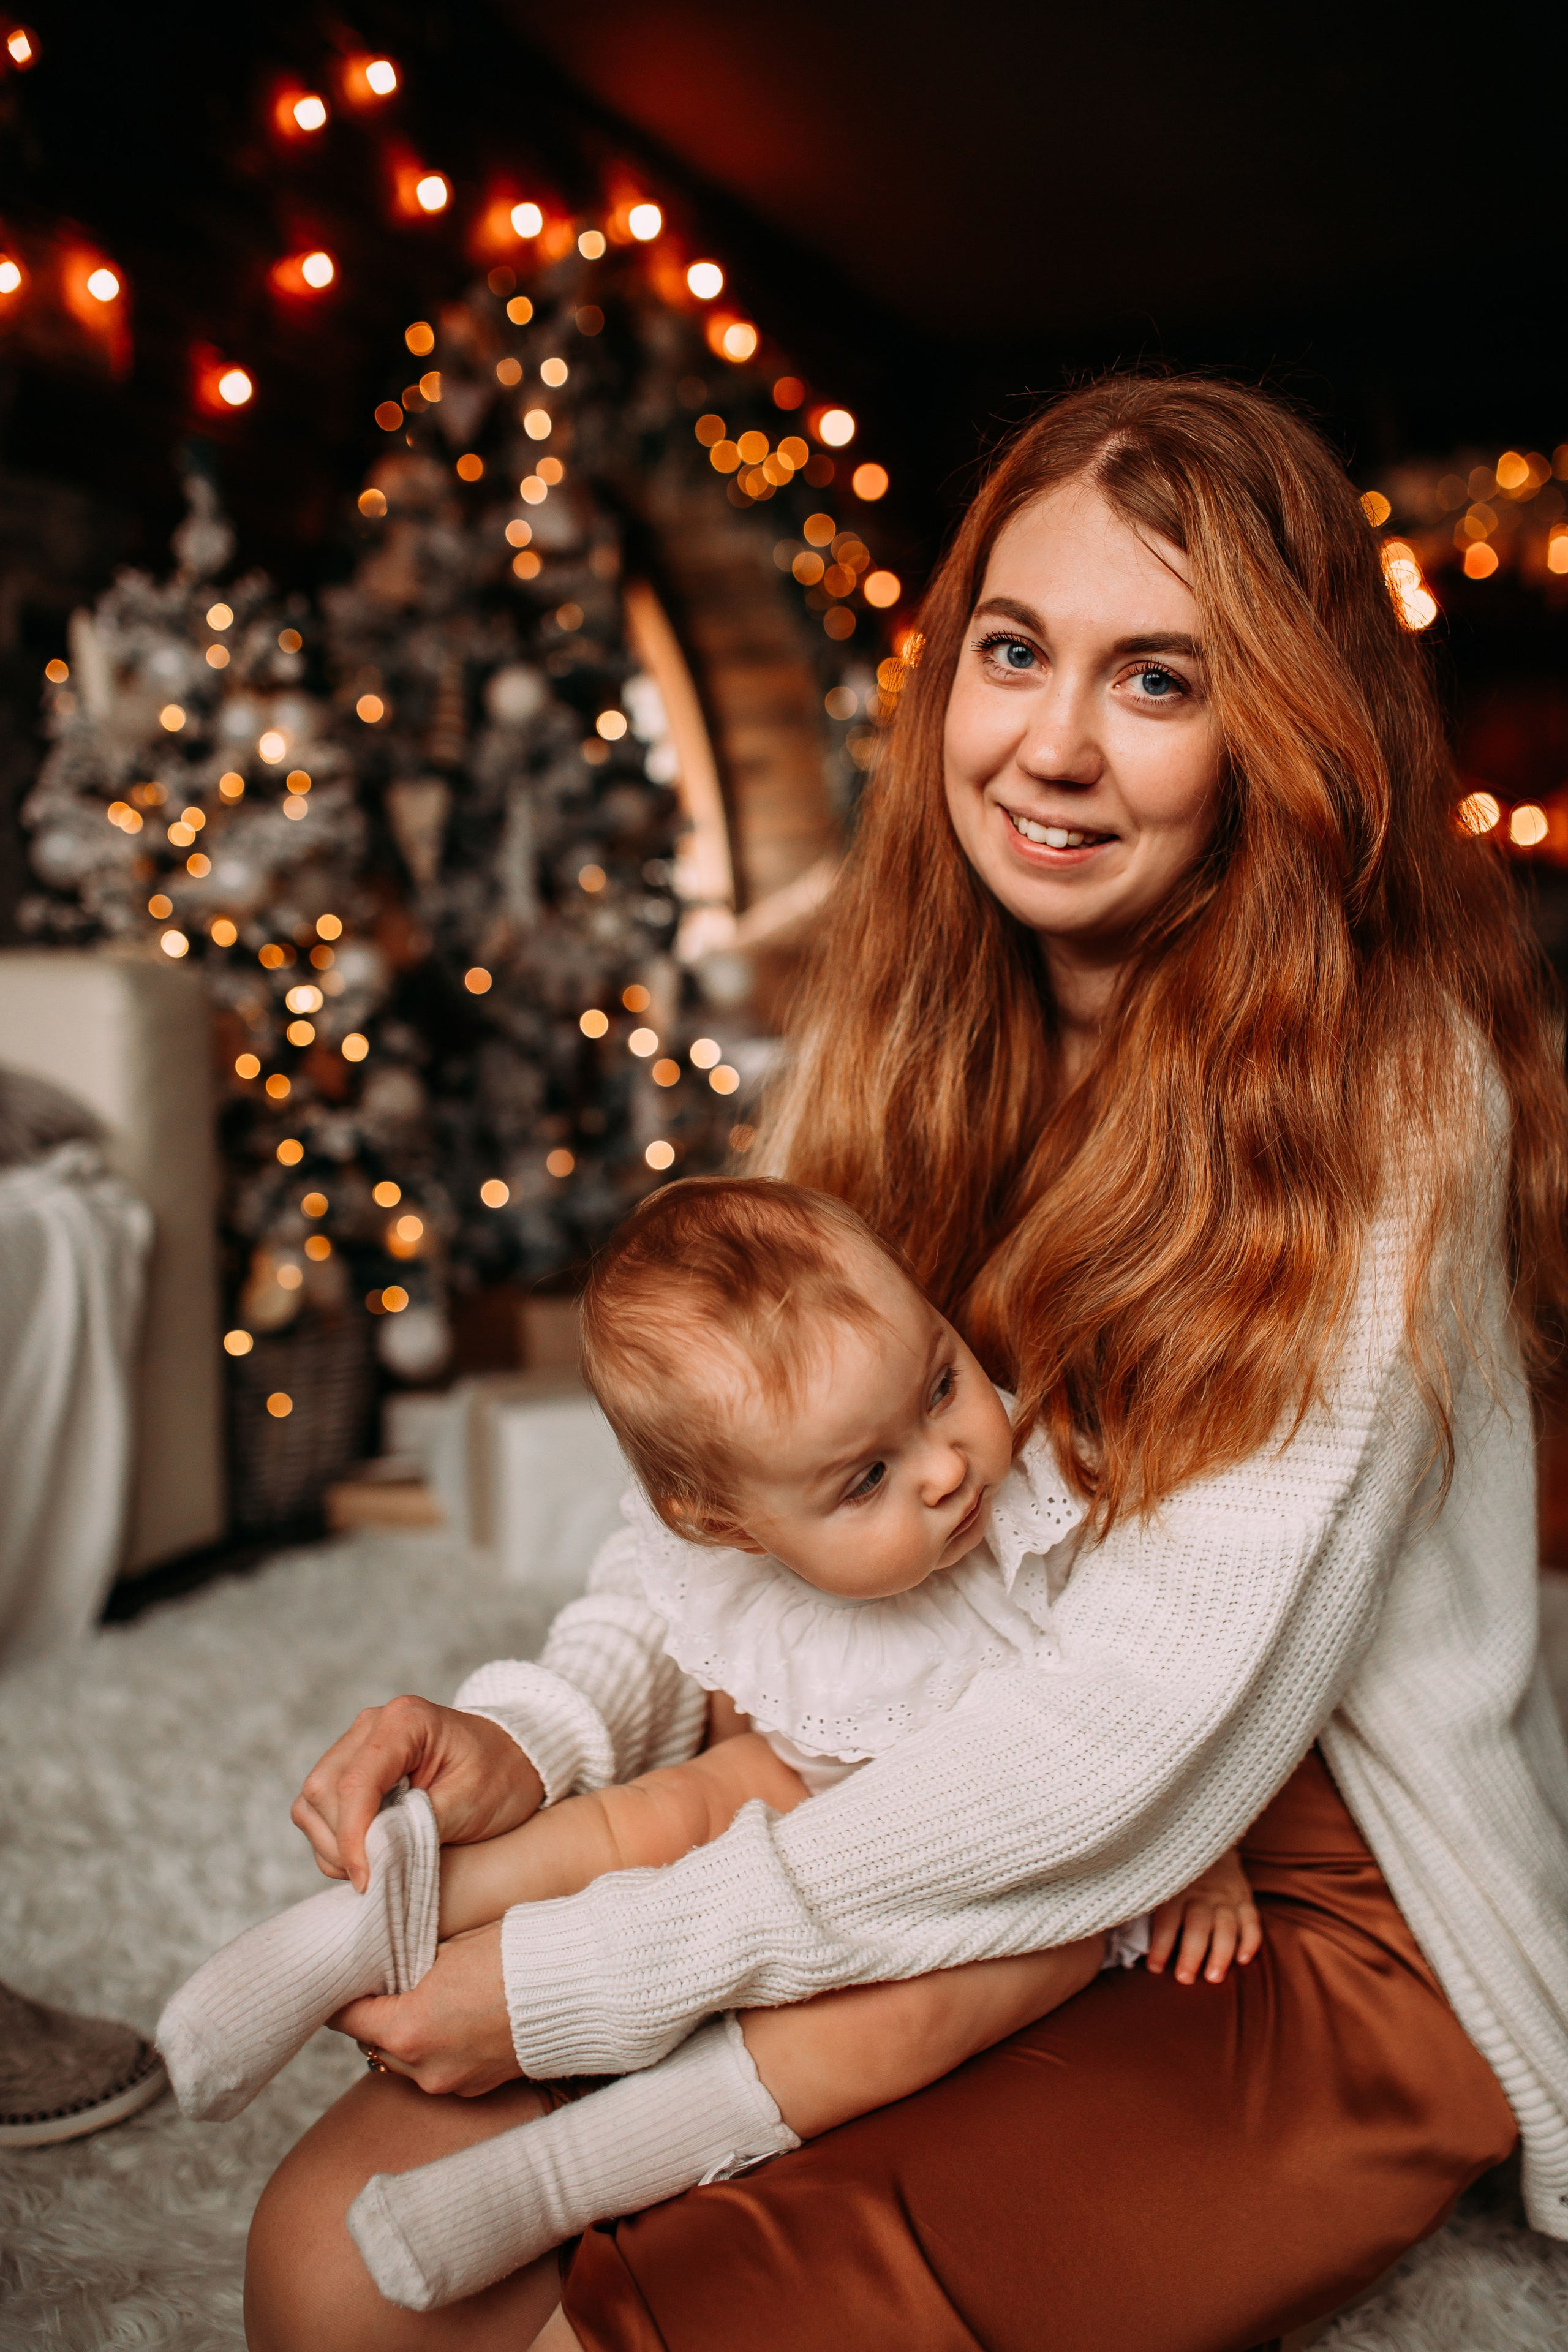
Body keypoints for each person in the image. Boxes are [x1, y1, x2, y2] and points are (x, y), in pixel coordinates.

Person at [246, 373, 1568, 2352]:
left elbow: (1127, 1749)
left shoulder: (1393, 1101)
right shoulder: (901, 1015)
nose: (1048, 745)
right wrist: (551, 1734)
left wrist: (610, 1969)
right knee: (325, 2261)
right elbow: (723, 1501)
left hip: (1274, 1895)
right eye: (1016, 653)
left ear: (1279, 741)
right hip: (922, 1748)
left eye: (1158, 683)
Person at [159, 1176, 1257, 2307]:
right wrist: (523, 1733)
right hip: (803, 1782)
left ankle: (549, 2181)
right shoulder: (720, 1544)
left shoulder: (1046, 1499)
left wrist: (1198, 1846)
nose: (945, 1467)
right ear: (730, 1524)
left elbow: (1150, 1710)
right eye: (867, 1478)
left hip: (1017, 1875)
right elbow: (639, 1635)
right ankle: (339, 1935)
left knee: (949, 2000)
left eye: (940, 1382)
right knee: (648, 1813)